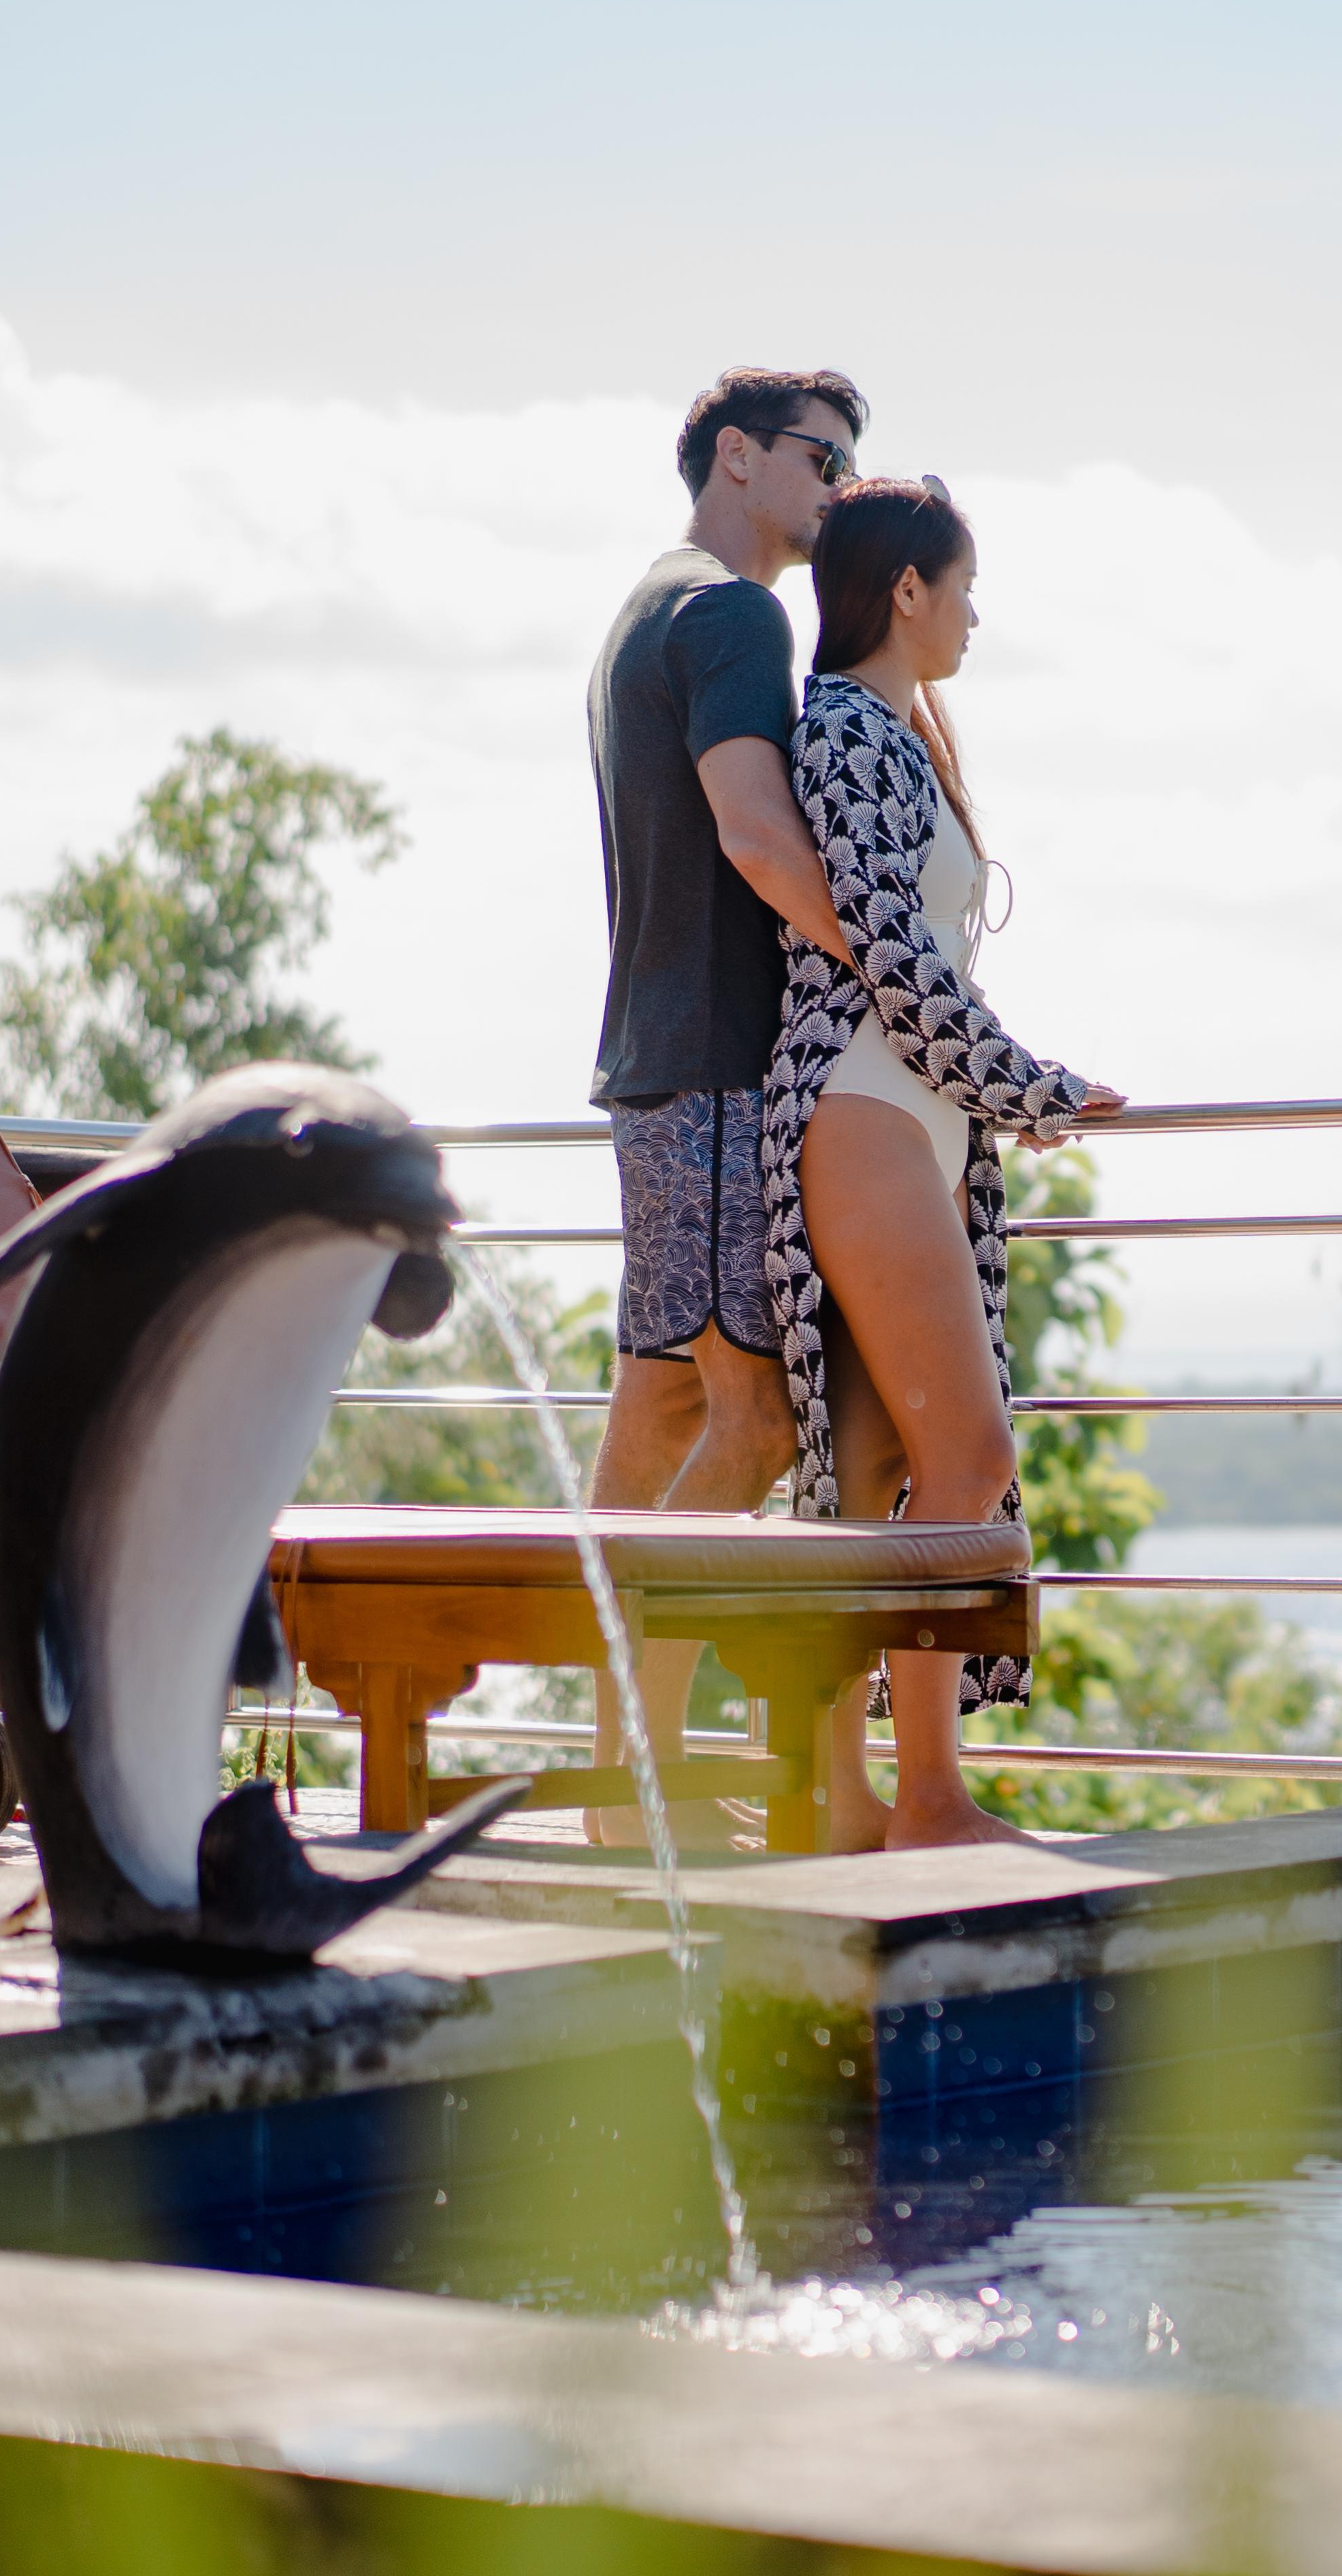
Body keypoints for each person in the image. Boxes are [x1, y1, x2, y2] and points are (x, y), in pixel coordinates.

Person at [762, 478, 1120, 1849]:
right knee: (958, 1453)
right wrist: (1034, 1087)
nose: (974, 610)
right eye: (962, 584)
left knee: (866, 1481)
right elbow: (893, 959)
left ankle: (850, 1801)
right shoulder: (849, 730)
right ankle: (928, 1798)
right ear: (904, 588)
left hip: (909, 1116)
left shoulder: (895, 731)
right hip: (866, 1105)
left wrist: (1001, 1097)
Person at [580, 365, 865, 1847]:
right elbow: (755, 833)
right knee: (748, 1419)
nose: (837, 486)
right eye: (820, 459)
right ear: (736, 457)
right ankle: (634, 1780)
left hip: (652, 1066)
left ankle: (605, 1774)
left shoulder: (645, 604)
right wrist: (885, 971)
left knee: (661, 1409)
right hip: (714, 1069)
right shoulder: (737, 612)